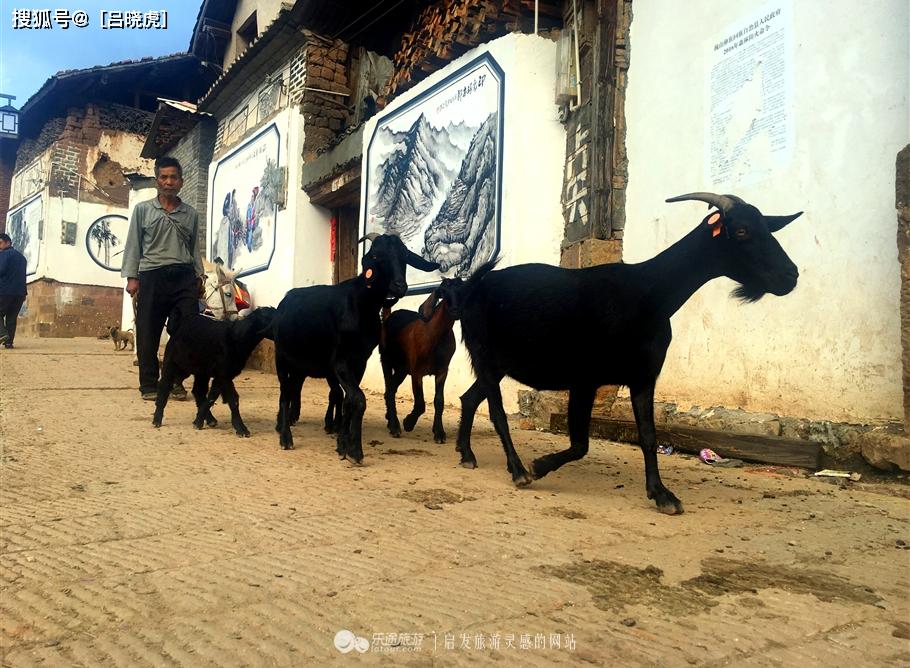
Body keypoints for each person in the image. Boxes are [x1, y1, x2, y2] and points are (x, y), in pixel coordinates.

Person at [121, 156, 205, 400]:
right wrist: (131, 277)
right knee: (148, 332)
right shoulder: (143, 210)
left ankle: (176, 380)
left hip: (184, 277)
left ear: (181, 181)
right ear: (157, 180)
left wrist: (199, 275)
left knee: (186, 331)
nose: (169, 182)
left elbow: (193, 248)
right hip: (152, 276)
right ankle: (149, 385)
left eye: (173, 177)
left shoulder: (190, 214)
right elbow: (133, 244)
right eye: (164, 177)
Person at [0, 232, 27, 349]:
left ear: (8, 243)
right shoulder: (22, 258)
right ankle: (9, 342)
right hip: (20, 293)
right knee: (11, 317)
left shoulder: (4, 255)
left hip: (5, 291)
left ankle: (2, 334)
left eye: (0, 243)